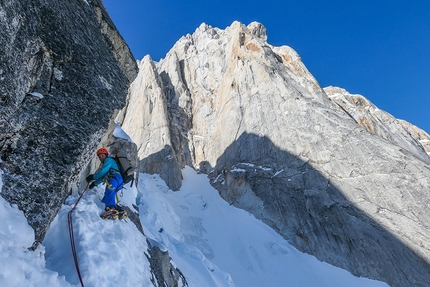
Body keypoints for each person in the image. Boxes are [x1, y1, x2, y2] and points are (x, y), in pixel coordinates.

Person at [86, 148, 124, 219]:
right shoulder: (110, 163)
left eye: (102, 156)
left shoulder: (108, 160)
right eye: (99, 157)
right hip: (119, 180)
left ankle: (112, 209)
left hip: (114, 178)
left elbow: (102, 172)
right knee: (107, 197)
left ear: (106, 155)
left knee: (109, 192)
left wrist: (93, 176)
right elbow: (104, 177)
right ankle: (120, 210)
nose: (101, 158)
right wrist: (95, 183)